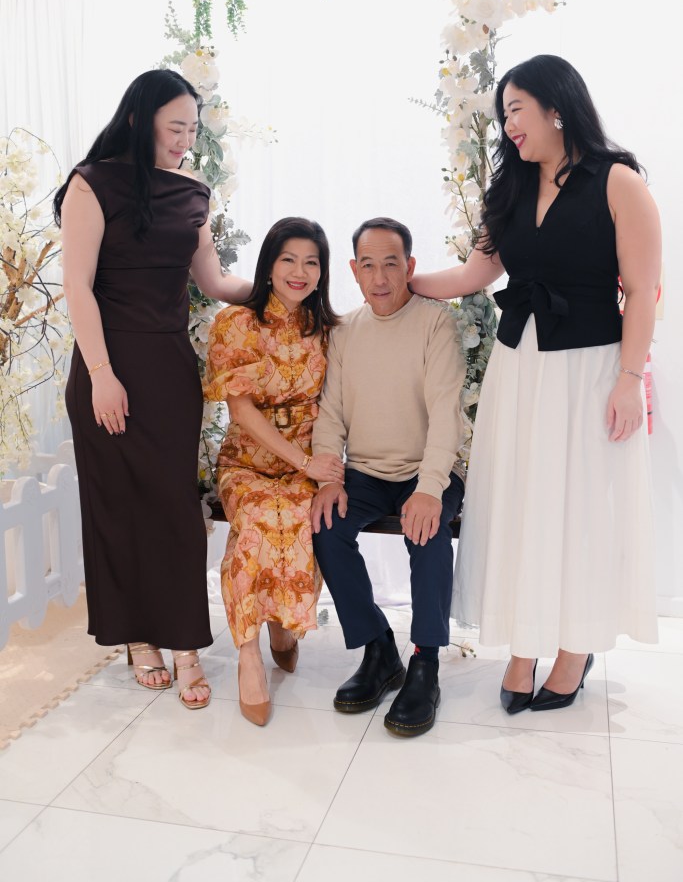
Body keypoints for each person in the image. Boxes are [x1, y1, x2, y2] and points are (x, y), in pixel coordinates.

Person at [410, 54, 661, 713]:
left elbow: (641, 291)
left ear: (555, 107)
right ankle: (523, 646)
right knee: (523, 501)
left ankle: (574, 648)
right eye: (503, 115)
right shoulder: (510, 187)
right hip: (519, 366)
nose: (508, 126)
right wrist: (399, 281)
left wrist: (629, 379)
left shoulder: (618, 181)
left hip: (592, 367)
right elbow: (473, 275)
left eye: (516, 110)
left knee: (581, 507)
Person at [55, 69, 253, 709]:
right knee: (117, 505)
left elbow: (215, 281)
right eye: (175, 128)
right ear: (139, 120)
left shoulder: (193, 192)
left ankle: (186, 643)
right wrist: (102, 375)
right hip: (107, 365)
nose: (185, 141)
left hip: (169, 368)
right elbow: (78, 286)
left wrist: (285, 284)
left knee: (174, 508)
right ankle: (139, 636)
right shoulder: (91, 183)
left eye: (192, 130)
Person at [311, 217, 465, 738]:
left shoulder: (435, 323)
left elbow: (445, 412)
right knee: (327, 526)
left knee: (428, 534)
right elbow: (330, 414)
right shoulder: (344, 332)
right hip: (366, 473)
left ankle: (425, 662)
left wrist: (429, 488)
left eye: (391, 264)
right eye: (368, 265)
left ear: (410, 267)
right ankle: (378, 650)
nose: (380, 278)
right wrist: (330, 477)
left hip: (429, 470)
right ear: (353, 270)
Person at [203, 217, 344, 726]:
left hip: (310, 460)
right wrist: (303, 462)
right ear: (269, 265)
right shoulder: (236, 323)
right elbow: (241, 411)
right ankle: (248, 654)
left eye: (311, 262)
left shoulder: (327, 331)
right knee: (259, 523)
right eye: (289, 259)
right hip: (248, 463)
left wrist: (322, 467)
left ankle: (283, 624)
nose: (300, 271)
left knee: (307, 520)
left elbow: (340, 404)